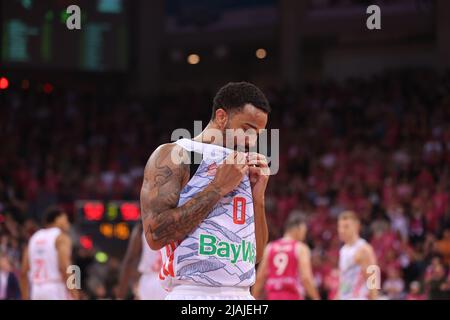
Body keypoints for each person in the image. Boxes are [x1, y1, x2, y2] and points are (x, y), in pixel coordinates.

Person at [140, 82, 271, 300]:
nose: (252, 140)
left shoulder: (245, 166)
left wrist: (258, 200)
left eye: (258, 133)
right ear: (221, 117)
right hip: (193, 293)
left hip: (242, 295)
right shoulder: (176, 154)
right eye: (247, 129)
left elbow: (255, 255)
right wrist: (217, 188)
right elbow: (155, 235)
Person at [252, 213, 320, 300]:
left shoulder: (270, 247)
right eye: (305, 230)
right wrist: (316, 297)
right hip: (293, 296)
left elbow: (260, 278)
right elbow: (306, 278)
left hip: (273, 296)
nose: (305, 234)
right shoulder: (301, 248)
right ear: (300, 227)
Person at [20, 207, 78, 300]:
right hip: (55, 287)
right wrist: (74, 292)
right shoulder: (61, 237)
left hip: (36, 289)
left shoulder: (34, 238)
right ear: (57, 219)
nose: (68, 223)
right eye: (66, 219)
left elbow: (23, 271)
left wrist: (25, 296)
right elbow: (64, 266)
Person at [117, 224, 167, 300]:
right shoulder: (175, 222)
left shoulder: (143, 226)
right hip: (169, 281)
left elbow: (130, 260)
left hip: (148, 282)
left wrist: (120, 295)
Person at [337, 211, 379, 300]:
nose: (341, 230)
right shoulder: (343, 250)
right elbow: (343, 281)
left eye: (346, 226)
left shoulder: (364, 249)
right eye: (339, 227)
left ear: (356, 227)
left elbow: (374, 281)